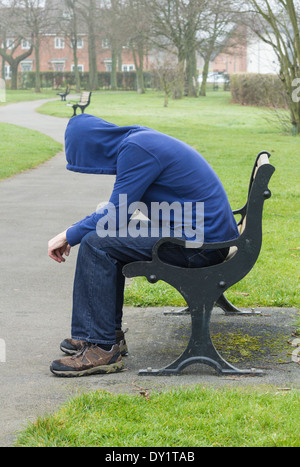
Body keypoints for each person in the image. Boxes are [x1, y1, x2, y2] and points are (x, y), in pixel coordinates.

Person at [48, 114, 239, 377]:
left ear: (94, 148)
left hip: (200, 246)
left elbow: (116, 214)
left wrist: (68, 234)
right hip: (203, 236)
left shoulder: (137, 149)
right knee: (104, 240)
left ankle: (102, 347)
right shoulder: (137, 141)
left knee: (95, 243)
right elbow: (120, 212)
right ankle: (103, 333)